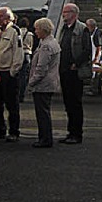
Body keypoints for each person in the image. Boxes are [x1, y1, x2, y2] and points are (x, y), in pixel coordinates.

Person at [0, 6, 24, 142]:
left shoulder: (15, 31)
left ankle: (14, 131)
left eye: (1, 16)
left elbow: (18, 52)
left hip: (8, 72)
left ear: (9, 18)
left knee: (12, 104)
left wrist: (13, 71)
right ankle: (0, 130)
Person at [59, 3, 92, 144]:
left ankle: (77, 134)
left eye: (66, 12)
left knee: (75, 103)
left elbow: (87, 50)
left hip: (75, 72)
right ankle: (70, 132)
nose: (63, 14)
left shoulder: (82, 29)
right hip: (64, 70)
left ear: (74, 13)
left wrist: (76, 64)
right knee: (67, 102)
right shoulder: (64, 29)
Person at [28, 17, 61, 148]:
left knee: (42, 113)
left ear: (43, 29)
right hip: (50, 81)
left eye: (37, 29)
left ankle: (45, 138)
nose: (35, 31)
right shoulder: (53, 42)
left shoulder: (46, 46)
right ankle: (45, 137)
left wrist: (31, 82)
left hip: (43, 84)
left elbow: (41, 67)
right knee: (44, 111)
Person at [17, 16, 34, 103]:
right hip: (27, 54)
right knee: (24, 76)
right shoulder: (30, 34)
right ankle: (22, 95)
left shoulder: (17, 32)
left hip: (19, 54)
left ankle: (16, 93)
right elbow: (31, 45)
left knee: (17, 75)